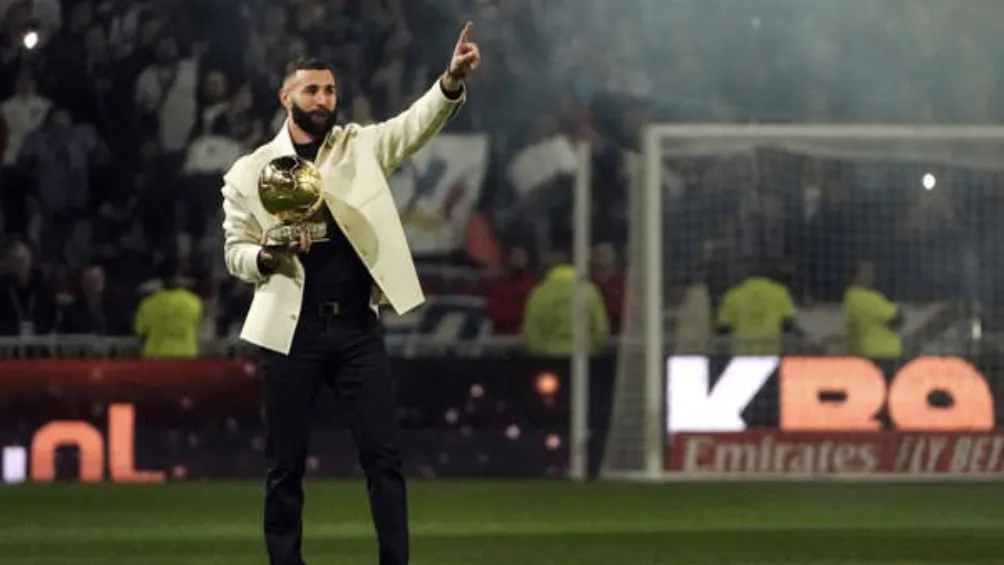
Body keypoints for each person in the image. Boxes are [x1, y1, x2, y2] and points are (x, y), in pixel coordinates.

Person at [220, 23, 481, 565]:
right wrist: (265, 257)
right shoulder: (249, 172)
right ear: (285, 97)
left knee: (384, 458)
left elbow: (413, 126)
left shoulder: (358, 147)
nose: (322, 100)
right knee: (284, 465)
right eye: (311, 90)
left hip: (356, 329)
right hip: (289, 330)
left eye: (330, 90)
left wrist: (450, 81)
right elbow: (234, 251)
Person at [843, 260, 904, 360]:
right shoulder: (864, 296)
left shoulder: (851, 297)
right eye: (868, 272)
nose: (872, 276)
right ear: (858, 276)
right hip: (881, 355)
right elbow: (897, 318)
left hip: (868, 354)